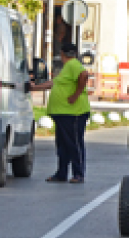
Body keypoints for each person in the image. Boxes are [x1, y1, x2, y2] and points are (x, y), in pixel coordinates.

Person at [31, 43, 90, 183]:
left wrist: (76, 95)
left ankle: (78, 174)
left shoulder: (73, 65)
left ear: (62, 54)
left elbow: (84, 75)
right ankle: (61, 173)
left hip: (74, 113)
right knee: (63, 145)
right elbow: (54, 84)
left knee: (74, 144)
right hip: (63, 113)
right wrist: (35, 87)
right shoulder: (67, 68)